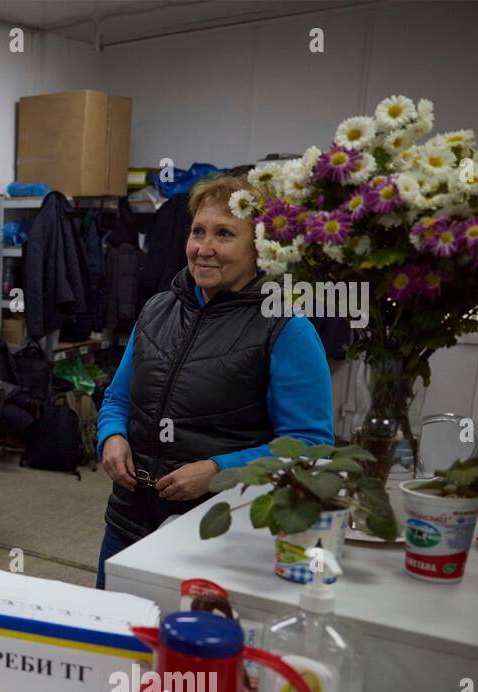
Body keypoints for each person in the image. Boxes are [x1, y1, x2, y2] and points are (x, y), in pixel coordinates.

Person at [94, 174, 334, 589]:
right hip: (127, 524)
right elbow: (118, 398)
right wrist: (111, 437)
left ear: (259, 247)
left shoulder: (286, 327)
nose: (203, 249)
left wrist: (219, 470)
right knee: (110, 643)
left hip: (215, 535)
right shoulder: (157, 309)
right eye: (198, 232)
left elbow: (310, 446)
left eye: (224, 234)